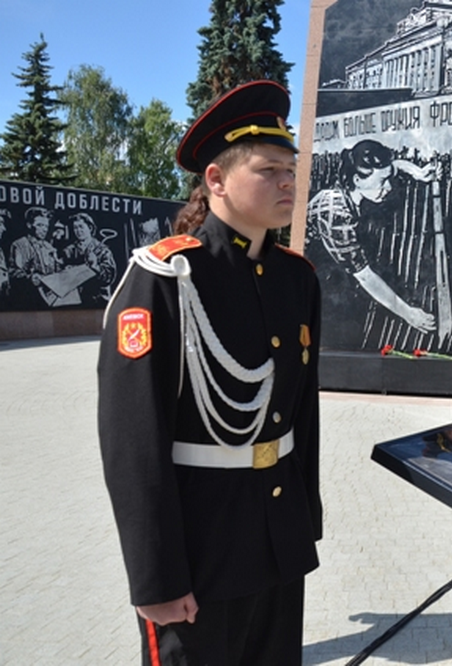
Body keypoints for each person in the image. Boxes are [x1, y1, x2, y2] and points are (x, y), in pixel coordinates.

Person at [97, 80, 323, 665]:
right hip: (199, 553)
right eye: (269, 170)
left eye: (291, 171)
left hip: (277, 538)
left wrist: (305, 519)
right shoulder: (164, 280)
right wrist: (156, 578)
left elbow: (303, 415)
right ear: (216, 181)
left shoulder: (297, 279)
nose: (287, 184)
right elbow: (132, 443)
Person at [307, 138, 438, 335]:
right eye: (382, 182)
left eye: (388, 179)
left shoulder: (353, 188)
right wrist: (409, 314)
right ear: (357, 180)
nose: (389, 188)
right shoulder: (335, 211)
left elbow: (394, 167)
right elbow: (365, 275)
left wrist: (418, 173)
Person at [9, 206, 62, 308]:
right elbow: (14, 272)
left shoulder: (49, 247)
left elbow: (55, 270)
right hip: (28, 301)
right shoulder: (20, 244)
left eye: (46, 226)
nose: (44, 230)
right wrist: (30, 278)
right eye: (40, 225)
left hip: (50, 300)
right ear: (29, 225)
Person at [62, 212, 117, 307]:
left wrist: (95, 266)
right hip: (73, 302)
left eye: (81, 227)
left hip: (98, 301)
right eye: (75, 228)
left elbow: (109, 277)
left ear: (90, 228)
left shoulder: (102, 250)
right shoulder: (69, 250)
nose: (78, 231)